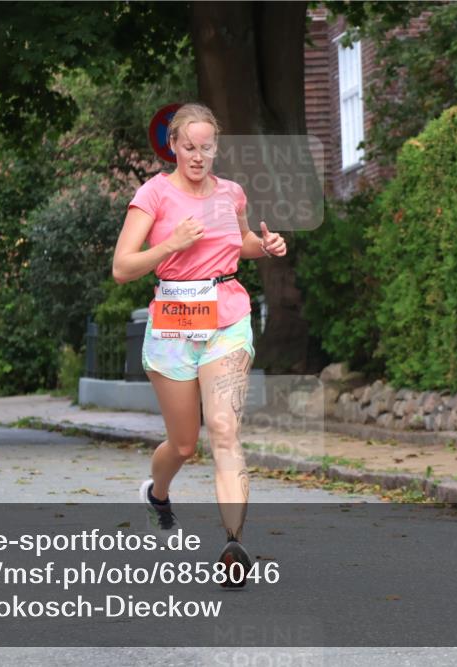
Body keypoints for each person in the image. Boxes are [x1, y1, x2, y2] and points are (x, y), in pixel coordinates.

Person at [112, 103, 287, 587]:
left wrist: (264, 246)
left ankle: (234, 543)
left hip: (227, 318)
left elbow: (240, 242)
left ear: (216, 148)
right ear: (173, 145)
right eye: (189, 146)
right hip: (173, 325)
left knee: (225, 429)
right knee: (184, 443)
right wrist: (172, 244)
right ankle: (157, 493)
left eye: (206, 147)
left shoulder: (231, 193)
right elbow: (122, 267)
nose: (197, 156)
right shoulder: (153, 194)